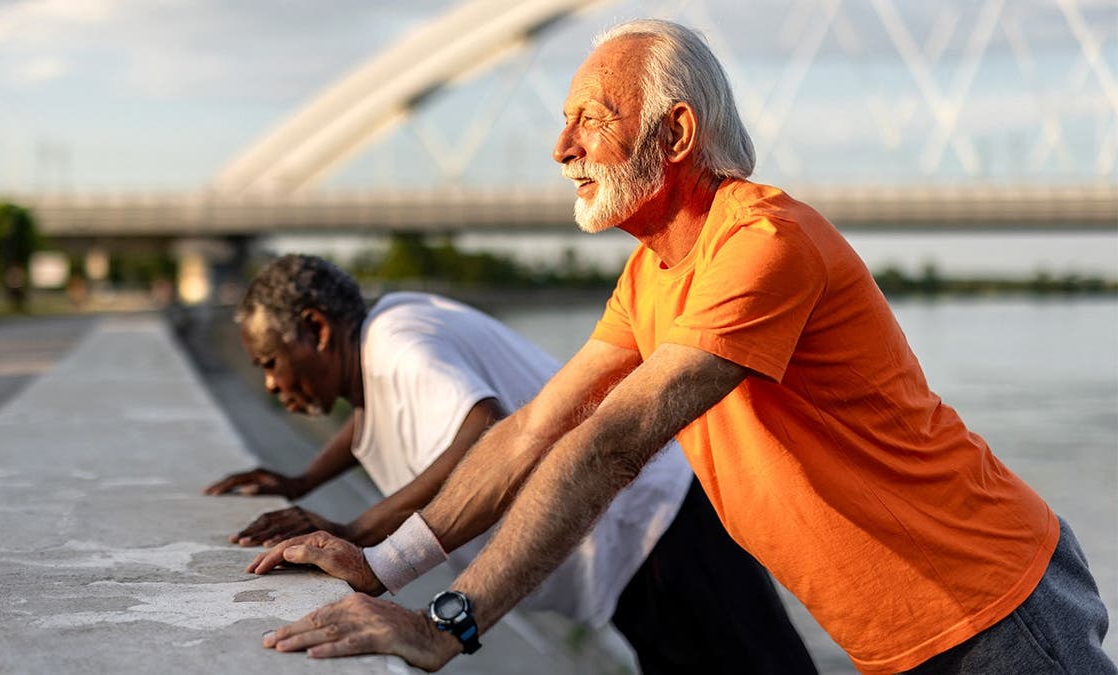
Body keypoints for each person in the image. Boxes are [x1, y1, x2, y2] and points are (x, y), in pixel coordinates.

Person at [253, 21, 1115, 675]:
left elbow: (609, 444)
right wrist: (379, 563)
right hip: (912, 629)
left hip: (997, 608)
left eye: (590, 120)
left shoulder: (763, 243)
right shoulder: (652, 276)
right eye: (563, 122)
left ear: (674, 135)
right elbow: (529, 431)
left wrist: (445, 625)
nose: (561, 149)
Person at [212, 253, 817, 673]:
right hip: (632, 542)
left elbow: (483, 429)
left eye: (270, 361)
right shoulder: (388, 338)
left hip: (655, 534)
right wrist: (304, 479)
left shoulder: (400, 344)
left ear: (317, 329)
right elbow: (371, 420)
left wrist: (360, 537)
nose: (268, 382)